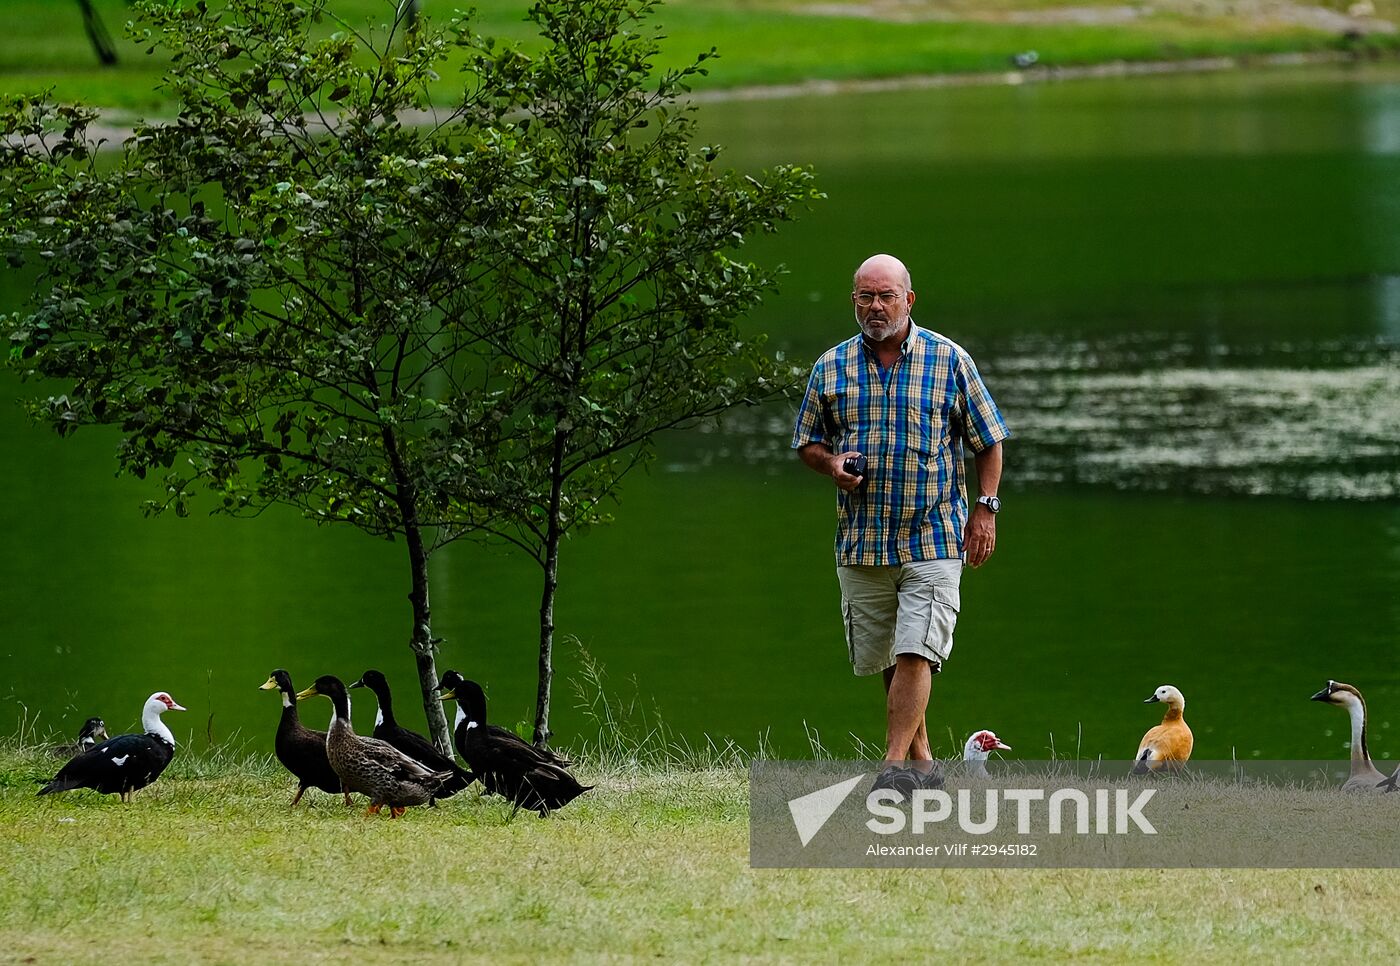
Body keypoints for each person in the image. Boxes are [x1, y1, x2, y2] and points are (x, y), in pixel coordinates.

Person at [791, 253, 1010, 790]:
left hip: (935, 534)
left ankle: (891, 769)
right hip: (862, 540)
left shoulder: (949, 360)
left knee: (918, 648)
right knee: (890, 654)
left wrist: (986, 509)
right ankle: (923, 765)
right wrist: (831, 463)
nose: (875, 307)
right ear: (853, 301)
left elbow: (990, 440)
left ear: (908, 300)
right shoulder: (831, 366)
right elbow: (807, 443)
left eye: (886, 296)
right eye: (865, 296)